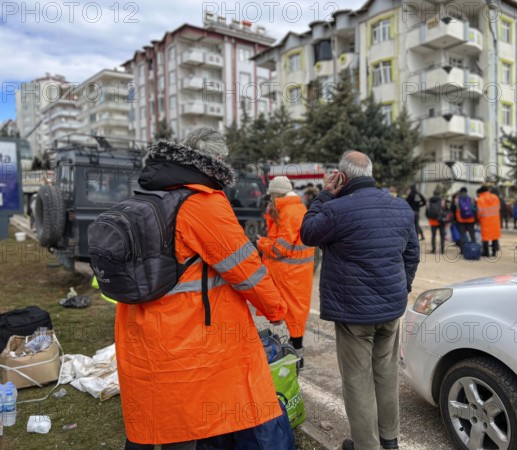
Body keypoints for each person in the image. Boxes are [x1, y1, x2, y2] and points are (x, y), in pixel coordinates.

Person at [116, 128, 294, 450]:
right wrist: (276, 310)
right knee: (183, 426)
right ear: (216, 159)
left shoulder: (146, 193)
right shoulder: (202, 203)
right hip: (184, 333)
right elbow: (247, 271)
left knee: (149, 418)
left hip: (139, 325)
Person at [300, 151, 420, 450]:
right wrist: (401, 287)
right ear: (370, 172)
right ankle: (389, 439)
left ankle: (366, 445)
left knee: (357, 381)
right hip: (391, 309)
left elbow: (307, 233)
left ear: (341, 176)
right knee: (386, 374)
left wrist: (325, 194)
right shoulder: (400, 207)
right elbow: (412, 254)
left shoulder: (336, 209)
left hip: (354, 314)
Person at [257, 176, 315, 369]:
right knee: (296, 311)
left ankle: (296, 355)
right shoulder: (296, 208)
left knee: (292, 313)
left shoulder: (289, 212)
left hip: (289, 272)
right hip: (296, 272)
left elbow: (280, 248)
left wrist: (260, 243)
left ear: (276, 194)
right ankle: (295, 352)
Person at [476, 186, 501, 257]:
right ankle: (494, 252)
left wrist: (478, 218)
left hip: (485, 221)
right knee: (495, 236)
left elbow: (480, 212)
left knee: (485, 237)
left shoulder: (480, 199)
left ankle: (486, 253)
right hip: (495, 221)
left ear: (480, 192)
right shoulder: (495, 197)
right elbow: (498, 208)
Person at [454, 187, 476, 251]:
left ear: (460, 192)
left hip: (461, 220)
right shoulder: (471, 199)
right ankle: (474, 249)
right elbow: (474, 209)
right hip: (471, 220)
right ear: (466, 192)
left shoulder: (457, 199)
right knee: (472, 235)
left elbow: (455, 208)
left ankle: (462, 250)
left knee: (462, 235)